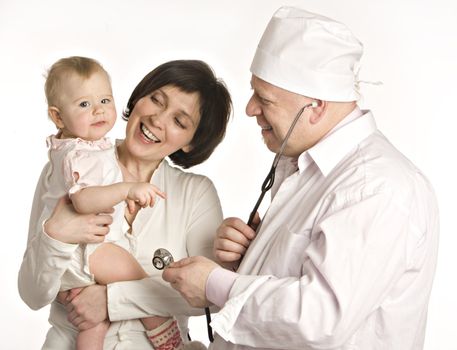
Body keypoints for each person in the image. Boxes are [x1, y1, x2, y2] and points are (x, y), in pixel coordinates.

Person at [161, 6, 440, 350]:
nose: (250, 109)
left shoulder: (377, 186)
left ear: (317, 106)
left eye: (264, 99)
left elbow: (320, 319)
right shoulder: (305, 168)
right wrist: (244, 262)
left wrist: (217, 284)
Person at [18, 59, 232, 349]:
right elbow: (33, 294)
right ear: (139, 97)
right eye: (156, 99)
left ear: (191, 142)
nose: (158, 119)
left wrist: (111, 301)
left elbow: (209, 296)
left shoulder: (195, 194)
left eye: (179, 121)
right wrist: (56, 236)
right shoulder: (72, 168)